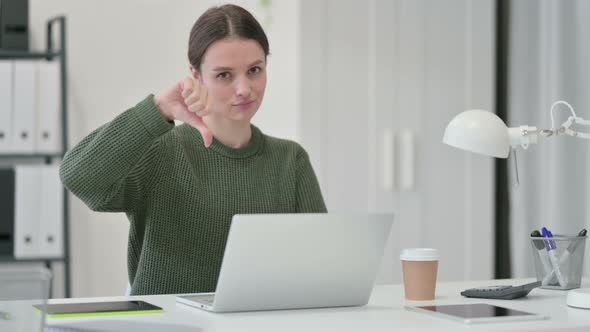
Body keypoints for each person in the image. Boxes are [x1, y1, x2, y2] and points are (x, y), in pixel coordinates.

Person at [60, 4, 326, 295]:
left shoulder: (290, 160)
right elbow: (78, 175)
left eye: (254, 70)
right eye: (225, 75)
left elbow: (318, 267)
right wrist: (157, 109)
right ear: (195, 75)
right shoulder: (161, 152)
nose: (244, 89)